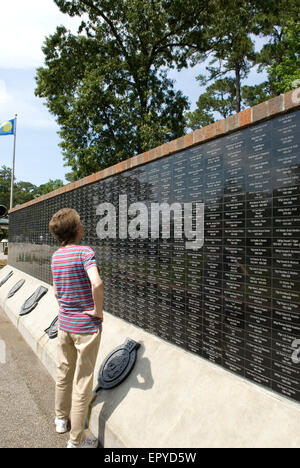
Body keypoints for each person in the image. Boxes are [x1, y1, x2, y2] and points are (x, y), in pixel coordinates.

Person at [49, 208, 104, 449]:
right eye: (80, 222)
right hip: (85, 328)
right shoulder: (85, 252)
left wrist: (66, 309)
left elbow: (56, 291)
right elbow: (97, 283)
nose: (83, 224)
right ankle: (76, 440)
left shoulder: (56, 256)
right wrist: (97, 311)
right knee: (82, 383)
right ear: (76, 229)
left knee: (63, 373)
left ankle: (61, 419)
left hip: (64, 325)